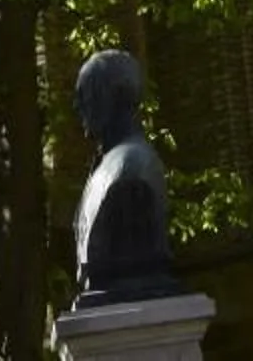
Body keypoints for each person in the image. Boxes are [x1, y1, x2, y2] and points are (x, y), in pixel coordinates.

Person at [71, 48, 177, 304]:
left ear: (115, 96)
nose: (78, 105)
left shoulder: (131, 168)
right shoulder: (103, 168)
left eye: (87, 93)